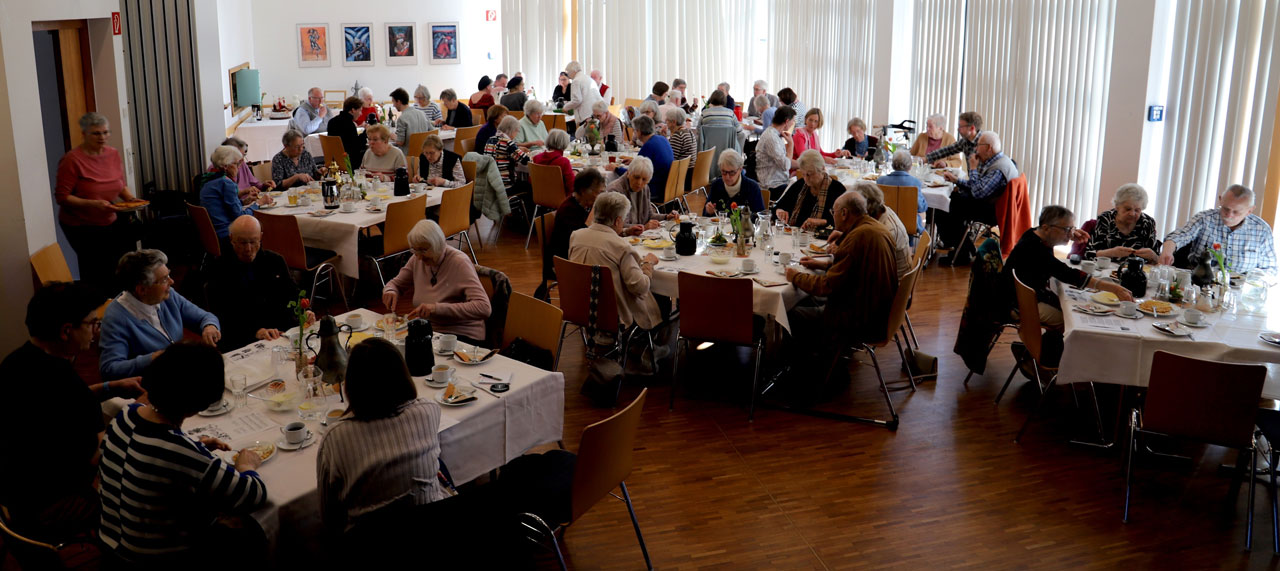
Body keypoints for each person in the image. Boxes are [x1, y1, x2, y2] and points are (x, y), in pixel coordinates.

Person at [98, 342, 268, 567]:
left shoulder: (127, 415)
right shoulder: (181, 452)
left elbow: (157, 457)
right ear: (199, 405)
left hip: (110, 548)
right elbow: (253, 495)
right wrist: (247, 466)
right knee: (250, 531)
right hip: (154, 560)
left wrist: (194, 448)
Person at [0, 282, 143, 542]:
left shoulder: (15, 362)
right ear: (67, 331)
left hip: (14, 493)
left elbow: (55, 407)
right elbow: (103, 455)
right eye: (92, 324)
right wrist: (141, 412)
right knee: (149, 496)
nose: (96, 332)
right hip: (54, 507)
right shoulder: (66, 386)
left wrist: (111, 387)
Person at [318, 337, 450, 535]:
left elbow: (329, 518)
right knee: (440, 467)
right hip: (430, 528)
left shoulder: (334, 438)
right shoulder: (429, 411)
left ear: (351, 384)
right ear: (403, 374)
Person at [785, 191, 897, 349]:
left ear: (844, 213)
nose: (832, 216)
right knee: (805, 298)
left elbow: (827, 286)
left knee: (789, 313)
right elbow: (854, 270)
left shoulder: (857, 238)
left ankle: (810, 365)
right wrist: (822, 265)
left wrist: (795, 276)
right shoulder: (875, 227)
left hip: (859, 319)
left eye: (833, 212)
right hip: (880, 310)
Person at [1004, 205, 1134, 335]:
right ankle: (1046, 351)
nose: (1071, 233)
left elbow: (1062, 269)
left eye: (1072, 228)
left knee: (1068, 306)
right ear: (1046, 228)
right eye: (1067, 229)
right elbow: (1068, 274)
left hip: (1023, 294)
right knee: (1068, 320)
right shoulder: (1035, 249)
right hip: (1017, 304)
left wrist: (1068, 234)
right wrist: (1114, 288)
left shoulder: (1033, 234)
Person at [99, 249, 221, 380]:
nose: (172, 282)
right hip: (150, 386)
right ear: (142, 289)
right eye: (164, 279)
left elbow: (204, 317)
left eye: (168, 275)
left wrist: (209, 326)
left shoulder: (168, 296)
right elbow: (110, 369)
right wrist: (153, 358)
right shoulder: (116, 318)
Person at [55, 112, 138, 294]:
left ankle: (115, 308)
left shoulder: (113, 154)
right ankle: (95, 313)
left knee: (116, 267)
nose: (102, 137)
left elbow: (120, 183)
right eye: (96, 133)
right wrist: (93, 204)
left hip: (109, 218)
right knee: (95, 271)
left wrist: (130, 200)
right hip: (80, 224)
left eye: (105, 132)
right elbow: (62, 197)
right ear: (84, 134)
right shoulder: (72, 160)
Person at [207, 216, 313, 350]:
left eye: (253, 241)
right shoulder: (219, 269)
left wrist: (305, 311)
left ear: (261, 237)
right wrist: (256, 332)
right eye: (242, 243)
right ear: (231, 239)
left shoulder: (275, 261)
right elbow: (222, 315)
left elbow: (292, 293)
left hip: (279, 335)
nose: (248, 249)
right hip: (242, 340)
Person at [382, 220, 492, 342]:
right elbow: (395, 284)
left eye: (423, 250)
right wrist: (391, 290)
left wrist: (436, 308)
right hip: (430, 331)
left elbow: (484, 308)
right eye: (414, 250)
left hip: (460, 333)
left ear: (439, 245)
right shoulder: (417, 259)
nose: (418, 256)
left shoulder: (459, 263)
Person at [568, 192, 662, 331]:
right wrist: (647, 264)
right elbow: (640, 288)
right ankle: (652, 344)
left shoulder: (576, 236)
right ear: (618, 221)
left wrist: (624, 232)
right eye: (623, 220)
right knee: (660, 296)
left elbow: (601, 236)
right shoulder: (622, 248)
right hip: (614, 314)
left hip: (581, 306)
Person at [1159, 184, 1277, 276]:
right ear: (1220, 199)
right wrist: (1168, 250)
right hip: (1200, 282)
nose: (1229, 215)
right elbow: (1180, 235)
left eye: (1236, 212)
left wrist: (1253, 283)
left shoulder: (1262, 230)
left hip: (1240, 290)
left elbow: (1270, 270)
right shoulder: (1205, 219)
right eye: (1225, 208)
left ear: (1249, 211)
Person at [938, 131, 1019, 254]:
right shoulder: (999, 160)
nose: (975, 149)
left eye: (978, 145)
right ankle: (964, 247)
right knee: (952, 198)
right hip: (990, 203)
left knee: (947, 205)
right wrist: (956, 181)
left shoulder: (998, 169)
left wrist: (973, 168)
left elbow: (977, 193)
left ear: (988, 148)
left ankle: (961, 252)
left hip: (992, 212)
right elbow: (979, 186)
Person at [200, 145, 272, 240]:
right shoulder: (226, 183)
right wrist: (259, 203)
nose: (239, 168)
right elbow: (239, 217)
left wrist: (244, 202)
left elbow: (224, 207)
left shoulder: (209, 179)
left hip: (212, 236)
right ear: (226, 166)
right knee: (264, 229)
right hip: (226, 235)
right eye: (237, 164)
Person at [1086, 183, 1161, 263]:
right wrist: (1111, 253)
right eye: (1128, 209)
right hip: (1105, 271)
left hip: (1137, 272)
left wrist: (1153, 256)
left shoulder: (1147, 223)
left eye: (1137, 210)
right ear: (1117, 206)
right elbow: (1089, 254)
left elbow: (1157, 260)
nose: (1132, 213)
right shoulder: (1105, 219)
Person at [607, 115, 672, 203]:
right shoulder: (662, 139)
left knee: (615, 187)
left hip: (654, 188)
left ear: (639, 132)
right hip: (668, 186)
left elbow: (631, 175)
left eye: (634, 130)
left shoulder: (648, 146)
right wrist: (634, 162)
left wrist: (616, 168)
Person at [604, 156, 676, 235]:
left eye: (644, 179)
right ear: (628, 173)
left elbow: (649, 215)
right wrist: (644, 227)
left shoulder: (645, 188)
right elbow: (616, 226)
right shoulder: (615, 191)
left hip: (640, 237)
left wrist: (666, 217)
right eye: (636, 177)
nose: (639, 183)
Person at [854, 182, 912, 278]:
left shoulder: (885, 231)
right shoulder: (883, 210)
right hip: (887, 275)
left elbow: (868, 266)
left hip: (892, 283)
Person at [774, 150, 842, 231]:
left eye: (809, 174)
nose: (806, 179)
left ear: (822, 169)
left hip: (823, 239)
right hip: (795, 236)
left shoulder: (837, 190)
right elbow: (778, 206)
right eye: (803, 174)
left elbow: (842, 222)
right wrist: (780, 211)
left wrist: (821, 222)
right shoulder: (800, 185)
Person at [551, 168, 606, 261]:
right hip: (567, 262)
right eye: (597, 192)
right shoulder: (567, 210)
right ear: (583, 191)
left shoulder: (584, 205)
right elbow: (579, 241)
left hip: (582, 254)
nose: (598, 197)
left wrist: (625, 232)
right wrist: (591, 217)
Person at [876, 149, 929, 232]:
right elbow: (921, 207)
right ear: (910, 166)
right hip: (909, 225)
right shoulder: (915, 182)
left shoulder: (880, 181)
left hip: (886, 223)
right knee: (922, 215)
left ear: (892, 165)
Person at [705, 149, 765, 214]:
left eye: (732, 172)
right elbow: (704, 215)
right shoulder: (716, 185)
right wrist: (708, 211)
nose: (727, 177)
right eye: (724, 172)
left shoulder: (752, 187)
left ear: (740, 170)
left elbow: (760, 217)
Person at [756, 106, 799, 196]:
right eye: (793, 121)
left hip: (778, 182)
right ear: (787, 121)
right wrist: (791, 145)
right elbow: (786, 165)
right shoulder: (771, 137)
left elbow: (786, 160)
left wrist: (804, 165)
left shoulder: (774, 135)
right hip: (772, 186)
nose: (793, 123)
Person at [483, 115, 530, 191]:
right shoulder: (508, 143)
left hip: (490, 183)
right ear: (511, 130)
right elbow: (525, 160)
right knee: (529, 186)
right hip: (505, 184)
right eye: (517, 131)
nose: (516, 134)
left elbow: (500, 152)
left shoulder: (490, 140)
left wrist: (517, 149)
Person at [329, 96, 369, 170]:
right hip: (349, 160)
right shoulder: (349, 124)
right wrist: (366, 132)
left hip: (334, 160)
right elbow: (356, 146)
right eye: (360, 110)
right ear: (353, 110)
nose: (360, 114)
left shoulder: (332, 121)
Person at [532, 129, 576, 196]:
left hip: (540, 196)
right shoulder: (563, 162)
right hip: (562, 199)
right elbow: (571, 186)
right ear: (564, 144)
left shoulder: (536, 158)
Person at [391, 87, 430, 151]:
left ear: (398, 101)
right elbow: (432, 131)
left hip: (408, 156)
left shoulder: (402, 119)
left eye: (393, 102)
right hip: (423, 154)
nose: (393, 105)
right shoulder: (422, 114)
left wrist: (394, 137)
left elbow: (400, 142)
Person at [666, 107, 697, 175]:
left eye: (667, 120)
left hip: (681, 175)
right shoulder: (689, 132)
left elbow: (670, 159)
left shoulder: (678, 136)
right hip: (690, 172)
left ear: (674, 122)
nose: (666, 122)